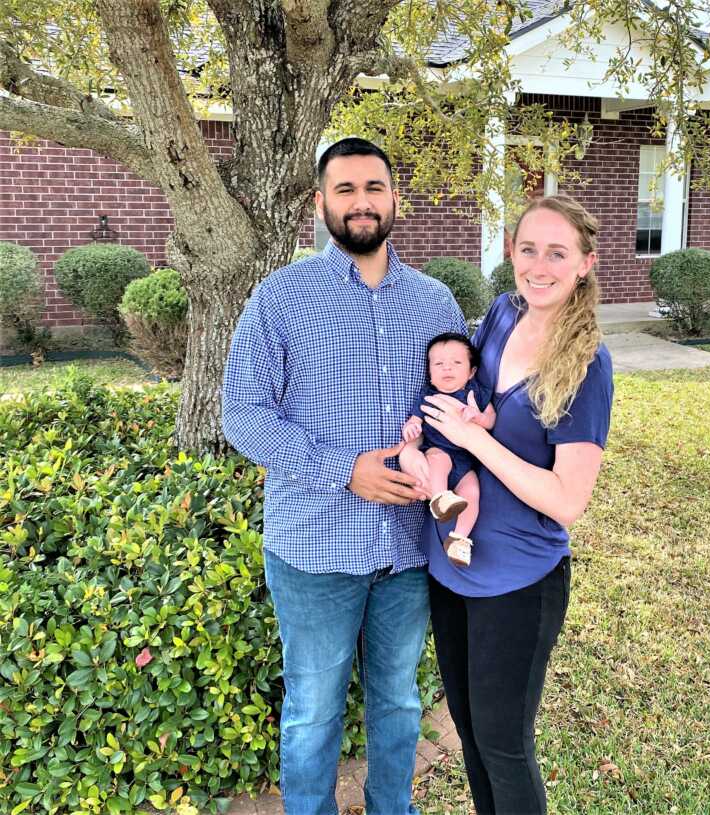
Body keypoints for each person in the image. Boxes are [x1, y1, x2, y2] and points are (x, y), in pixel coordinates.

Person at [221, 137, 466, 815]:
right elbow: (241, 413)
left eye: (374, 188)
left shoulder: (436, 302)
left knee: (398, 699)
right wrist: (345, 469)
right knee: (313, 708)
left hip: (408, 550)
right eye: (346, 189)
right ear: (320, 202)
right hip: (314, 547)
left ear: (395, 199)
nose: (362, 202)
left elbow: (455, 408)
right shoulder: (282, 297)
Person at [418, 195, 614, 815]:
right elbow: (466, 391)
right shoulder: (502, 314)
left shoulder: (585, 364)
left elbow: (568, 499)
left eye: (558, 252)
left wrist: (476, 438)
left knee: (504, 742)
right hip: (451, 563)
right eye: (528, 248)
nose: (540, 264)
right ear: (510, 252)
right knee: (472, 734)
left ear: (584, 263)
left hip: (519, 578)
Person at [399, 332, 496, 567]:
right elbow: (415, 420)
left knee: (472, 491)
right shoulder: (428, 395)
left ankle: (459, 538)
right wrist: (412, 427)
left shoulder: (476, 393)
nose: (447, 369)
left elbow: (491, 418)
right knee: (439, 462)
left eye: (456, 363)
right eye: (439, 364)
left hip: (465, 461)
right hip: (437, 450)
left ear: (471, 371)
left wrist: (478, 418)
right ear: (430, 374)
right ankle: (440, 499)